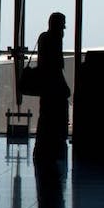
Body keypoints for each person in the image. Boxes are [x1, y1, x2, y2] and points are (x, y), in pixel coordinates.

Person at [33, 12, 71, 161]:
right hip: (53, 83)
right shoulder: (55, 39)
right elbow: (56, 66)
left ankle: (43, 146)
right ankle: (55, 143)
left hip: (46, 85)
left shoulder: (44, 37)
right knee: (56, 113)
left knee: (46, 115)